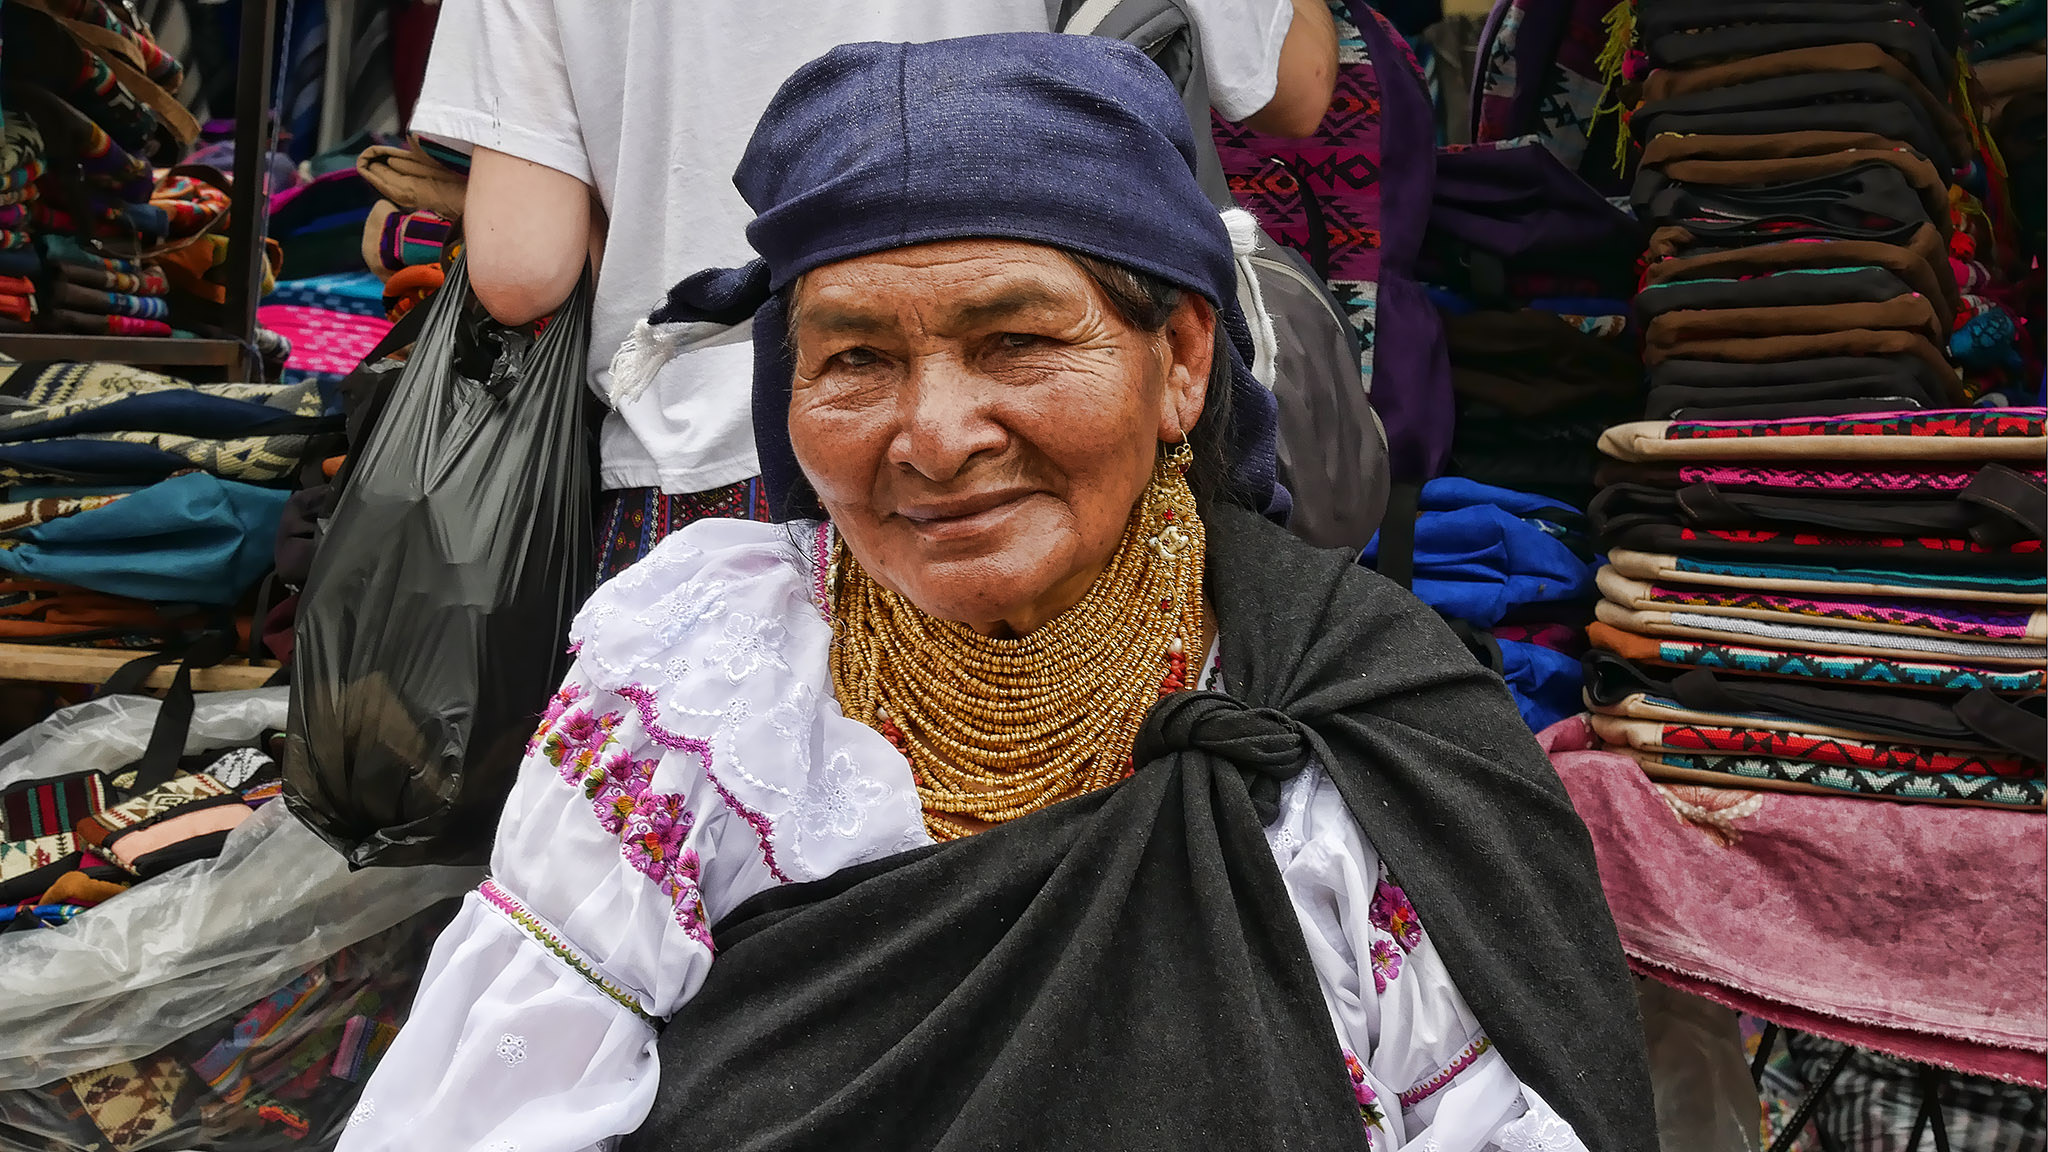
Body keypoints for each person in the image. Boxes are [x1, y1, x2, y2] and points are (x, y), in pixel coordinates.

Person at [339, 34, 1655, 1152]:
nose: (935, 435)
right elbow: (491, 1103)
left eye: (1017, 342)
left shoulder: (1348, 721)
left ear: (1182, 360)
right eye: (854, 358)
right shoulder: (702, 681)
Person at [410, 0, 1339, 580]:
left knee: (705, 856)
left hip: (688, 476)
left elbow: (521, 269)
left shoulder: (681, 628)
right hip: (1039, 448)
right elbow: (1294, 89)